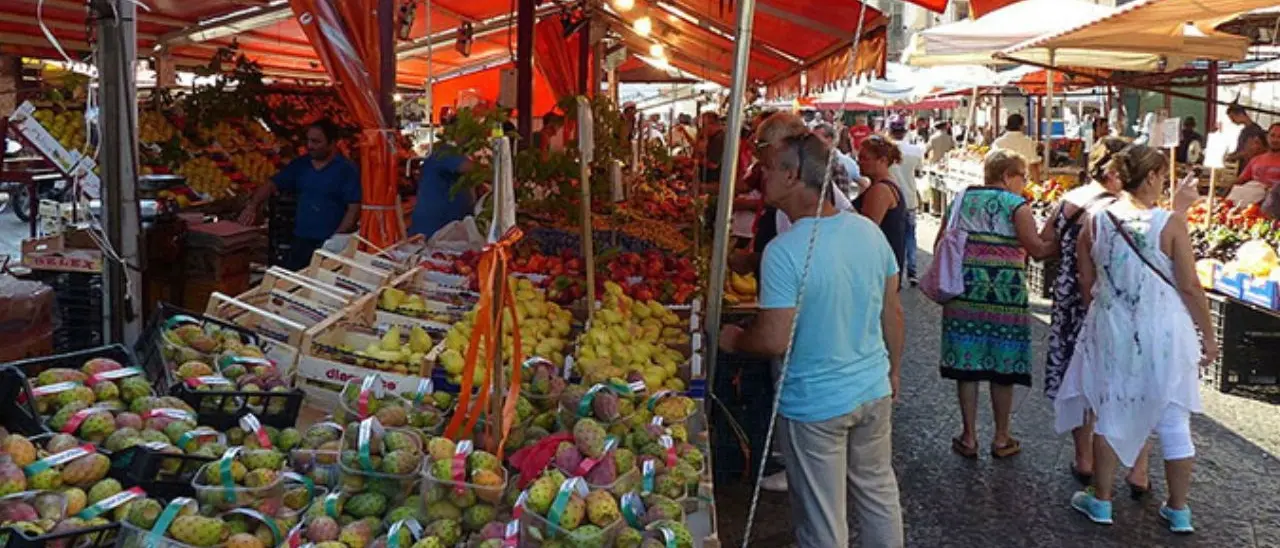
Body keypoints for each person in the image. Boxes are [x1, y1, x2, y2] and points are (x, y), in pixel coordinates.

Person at [719, 131, 905, 548]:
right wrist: (893, 371)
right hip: (871, 389)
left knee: (823, 521)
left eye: (768, 168)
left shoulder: (784, 251)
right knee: (878, 495)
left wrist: (734, 340)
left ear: (793, 174)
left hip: (815, 402)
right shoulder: (866, 232)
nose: (761, 175)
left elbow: (773, 340)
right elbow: (892, 311)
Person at [1056, 144, 1217, 534]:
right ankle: (1178, 510)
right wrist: (1209, 337)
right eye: (1162, 175)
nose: (1164, 182)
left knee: (1110, 410)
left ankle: (1102, 500)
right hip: (1164, 329)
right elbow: (1191, 287)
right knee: (1174, 417)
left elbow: (1087, 279)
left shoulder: (1097, 219)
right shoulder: (1170, 223)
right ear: (1150, 177)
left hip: (1113, 326)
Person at [940, 150, 1055, 460]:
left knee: (967, 365)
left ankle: (969, 436)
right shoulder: (1017, 206)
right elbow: (1038, 249)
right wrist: (1060, 230)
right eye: (1023, 177)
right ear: (1007, 176)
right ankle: (1001, 437)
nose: (1025, 184)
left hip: (964, 290)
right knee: (1002, 366)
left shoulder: (961, 199)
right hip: (1005, 294)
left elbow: (942, 242)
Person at [239, 120, 361, 270]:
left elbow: (353, 208)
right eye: (308, 140)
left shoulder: (346, 170)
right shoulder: (301, 165)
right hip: (301, 240)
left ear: (332, 143)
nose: (310, 146)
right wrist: (252, 206)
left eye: (316, 142)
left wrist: (336, 239)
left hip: (329, 243)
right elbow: (272, 184)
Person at [855, 135, 909, 272]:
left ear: (882, 161)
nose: (858, 162)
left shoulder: (880, 190)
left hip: (880, 266)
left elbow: (866, 231)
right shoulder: (885, 185)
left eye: (864, 158)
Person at [407, 133, 475, 240]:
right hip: (433, 229)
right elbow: (467, 167)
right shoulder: (446, 152)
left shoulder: (456, 154)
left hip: (448, 230)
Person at [888, 120, 924, 283]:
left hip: (890, 198)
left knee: (892, 237)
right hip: (909, 198)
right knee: (910, 236)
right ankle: (912, 272)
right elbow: (919, 171)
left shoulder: (885, 151)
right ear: (905, 132)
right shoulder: (915, 151)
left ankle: (894, 272)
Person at [989, 113, 1041, 181]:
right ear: (1021, 126)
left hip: (1003, 183)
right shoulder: (1028, 142)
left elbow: (992, 166)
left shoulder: (997, 143)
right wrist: (1038, 185)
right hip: (1023, 184)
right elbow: (1033, 166)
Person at [1225, 103, 1266, 174]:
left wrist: (1232, 157)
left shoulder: (1255, 130)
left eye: (1232, 117)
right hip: (1242, 168)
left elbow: (1249, 151)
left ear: (1240, 114)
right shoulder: (1244, 131)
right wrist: (1230, 155)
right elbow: (1240, 149)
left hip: (1250, 168)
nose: (1232, 121)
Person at [1239, 123, 1280, 189]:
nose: (1275, 140)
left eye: (1279, 137)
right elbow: (1240, 180)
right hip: (1251, 196)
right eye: (1272, 135)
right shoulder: (1255, 160)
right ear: (1267, 137)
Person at [698, 112, 726, 184]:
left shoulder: (719, 138)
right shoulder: (714, 137)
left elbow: (713, 164)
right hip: (709, 180)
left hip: (713, 182)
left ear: (711, 124)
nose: (702, 128)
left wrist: (695, 161)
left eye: (704, 125)